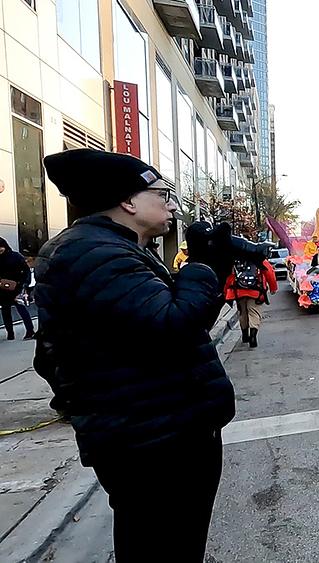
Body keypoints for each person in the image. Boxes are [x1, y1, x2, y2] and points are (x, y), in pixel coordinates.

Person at [34, 148, 253, 561]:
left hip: (158, 428)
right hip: (154, 441)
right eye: (162, 193)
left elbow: (183, 325)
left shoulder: (113, 248)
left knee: (172, 544)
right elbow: (171, 325)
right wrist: (202, 267)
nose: (171, 204)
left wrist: (213, 269)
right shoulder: (96, 254)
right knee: (162, 546)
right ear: (128, 201)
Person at [224, 256, 278, 349]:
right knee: (254, 313)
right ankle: (253, 337)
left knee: (243, 313)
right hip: (255, 291)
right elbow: (269, 272)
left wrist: (226, 292)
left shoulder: (236, 258)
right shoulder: (258, 257)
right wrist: (273, 288)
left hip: (239, 291)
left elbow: (229, 277)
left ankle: (245, 335)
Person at [0, 236, 34, 340]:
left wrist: (24, 285)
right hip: (3, 288)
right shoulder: (14, 256)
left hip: (17, 287)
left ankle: (30, 331)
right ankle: (10, 332)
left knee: (21, 309)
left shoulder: (15, 256)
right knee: (6, 311)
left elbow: (26, 271)